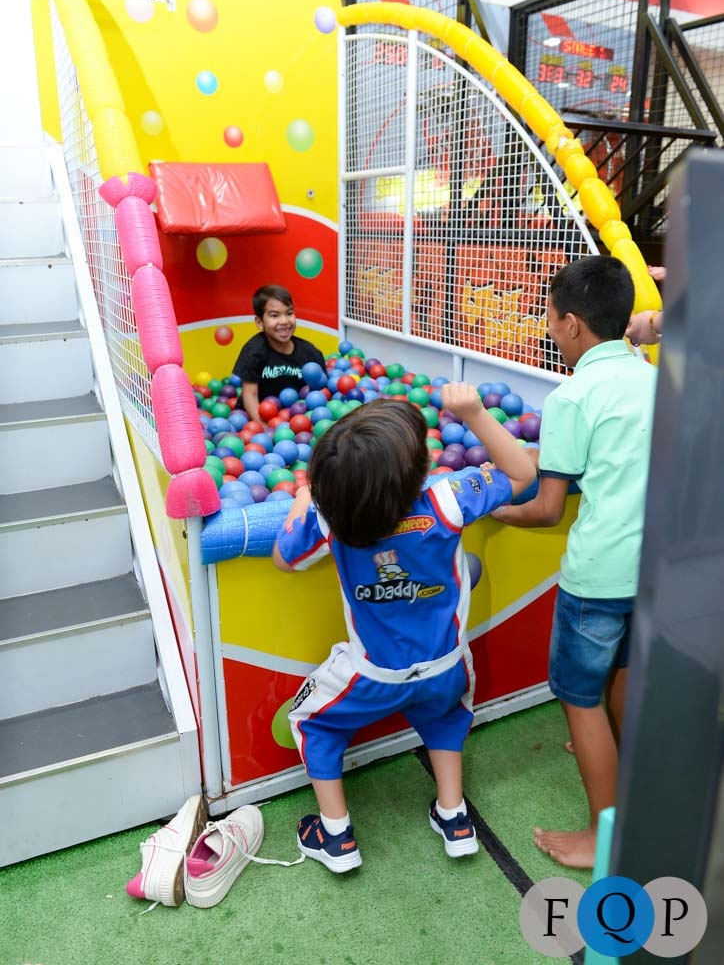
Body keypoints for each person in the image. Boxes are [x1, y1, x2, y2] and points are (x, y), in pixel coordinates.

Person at [272, 388, 537, 873]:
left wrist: (304, 500)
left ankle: (336, 836)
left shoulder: (333, 518)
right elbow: (523, 474)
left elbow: (283, 558)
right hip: (447, 665)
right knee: (447, 718)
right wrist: (474, 413)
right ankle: (454, 817)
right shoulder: (448, 498)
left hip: (373, 674)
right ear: (424, 468)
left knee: (310, 721)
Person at [493, 255, 657, 869]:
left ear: (573, 325)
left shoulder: (572, 396)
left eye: (550, 320)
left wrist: (494, 510)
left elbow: (547, 509)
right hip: (655, 569)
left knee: (579, 697)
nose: (550, 329)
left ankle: (603, 836)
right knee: (626, 670)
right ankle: (628, 772)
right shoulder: (652, 377)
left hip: (600, 573)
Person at [232, 284, 326, 422]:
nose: (284, 321)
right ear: (259, 322)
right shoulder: (254, 351)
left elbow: (321, 391)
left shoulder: (310, 353)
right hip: (255, 417)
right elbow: (250, 395)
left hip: (297, 417)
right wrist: (262, 427)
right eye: (274, 315)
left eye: (289, 313)